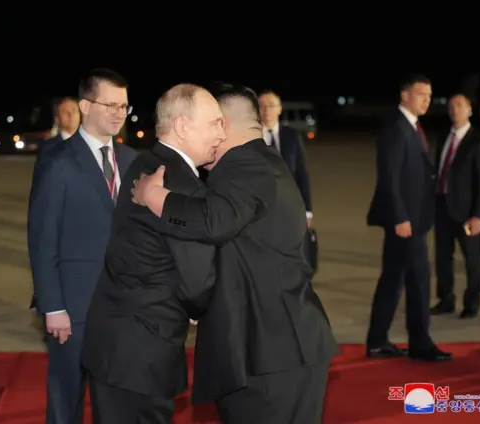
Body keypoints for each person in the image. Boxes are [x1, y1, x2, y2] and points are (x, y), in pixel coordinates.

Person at [131, 83, 339, 424]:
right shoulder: (261, 162)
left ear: (223, 124)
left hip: (271, 356)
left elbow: (213, 222)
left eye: (211, 122)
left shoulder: (247, 166)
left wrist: (154, 196)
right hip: (278, 348)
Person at [80, 83, 225, 424]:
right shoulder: (181, 184)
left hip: (117, 343)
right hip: (140, 351)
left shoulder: (146, 162)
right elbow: (197, 278)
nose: (221, 133)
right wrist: (206, 307)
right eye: (214, 122)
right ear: (182, 126)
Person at [28, 68, 138, 424]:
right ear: (85, 106)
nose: (120, 113)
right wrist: (53, 305)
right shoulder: (58, 162)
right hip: (74, 309)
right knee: (66, 398)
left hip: (123, 308)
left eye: (124, 106)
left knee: (117, 401)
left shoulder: (132, 160)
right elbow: (43, 239)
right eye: (111, 104)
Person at [365, 74, 452, 361]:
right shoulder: (396, 128)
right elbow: (389, 177)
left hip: (413, 219)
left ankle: (377, 341)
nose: (427, 99)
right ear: (405, 95)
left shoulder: (412, 127)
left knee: (393, 278)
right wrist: (401, 217)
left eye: (429, 95)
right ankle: (420, 343)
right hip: (406, 222)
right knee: (418, 281)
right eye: (421, 94)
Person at [430, 93, 480, 319]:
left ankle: (471, 304)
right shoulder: (445, 135)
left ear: (469, 110)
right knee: (443, 258)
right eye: (451, 106)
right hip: (442, 206)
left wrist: (477, 215)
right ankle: (446, 300)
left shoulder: (478, 140)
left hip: (467, 212)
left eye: (459, 106)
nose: (454, 110)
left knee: (472, 261)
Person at [258, 90, 313, 226]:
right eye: (262, 106)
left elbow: (301, 174)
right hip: (259, 207)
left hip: (287, 205)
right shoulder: (250, 137)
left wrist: (307, 210)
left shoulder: (292, 136)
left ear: (279, 109)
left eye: (271, 105)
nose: (267, 110)